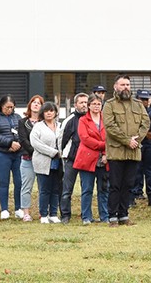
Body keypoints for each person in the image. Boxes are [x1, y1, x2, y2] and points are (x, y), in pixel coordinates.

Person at [103, 74, 149, 227]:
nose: (126, 88)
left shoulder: (138, 104)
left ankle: (124, 215)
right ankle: (112, 217)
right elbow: (110, 127)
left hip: (133, 152)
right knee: (115, 185)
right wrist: (127, 140)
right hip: (116, 152)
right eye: (122, 85)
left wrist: (136, 140)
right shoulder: (109, 105)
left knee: (128, 185)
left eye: (128, 85)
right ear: (115, 87)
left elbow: (145, 123)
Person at [73, 94, 109, 224]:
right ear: (88, 106)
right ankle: (86, 217)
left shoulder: (107, 119)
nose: (96, 106)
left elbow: (110, 137)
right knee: (87, 189)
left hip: (104, 159)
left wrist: (106, 152)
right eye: (93, 104)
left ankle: (104, 216)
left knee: (104, 189)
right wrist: (102, 145)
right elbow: (85, 138)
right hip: (87, 159)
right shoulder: (83, 120)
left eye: (98, 104)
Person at [0, 94, 22, 220]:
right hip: (1, 154)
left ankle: (18, 208)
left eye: (12, 107)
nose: (9, 110)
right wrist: (9, 143)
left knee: (18, 181)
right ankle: (4, 209)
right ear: (1, 106)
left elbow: (22, 133)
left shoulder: (17, 117)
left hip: (17, 154)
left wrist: (17, 143)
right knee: (4, 182)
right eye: (7, 107)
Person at [30, 102, 63, 224]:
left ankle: (53, 214)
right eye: (46, 111)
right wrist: (52, 152)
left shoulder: (60, 125)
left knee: (55, 189)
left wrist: (61, 153)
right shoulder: (38, 126)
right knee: (44, 189)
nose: (49, 113)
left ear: (55, 112)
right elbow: (35, 143)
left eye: (51, 111)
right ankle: (43, 214)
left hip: (58, 162)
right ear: (42, 113)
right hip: (43, 161)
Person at [59, 92, 88, 223]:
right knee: (66, 190)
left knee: (86, 190)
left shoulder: (92, 119)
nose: (84, 105)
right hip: (71, 159)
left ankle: (86, 215)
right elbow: (61, 139)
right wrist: (63, 155)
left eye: (86, 102)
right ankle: (65, 215)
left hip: (87, 160)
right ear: (75, 104)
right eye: (81, 102)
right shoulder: (69, 120)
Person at [17, 95, 45, 222]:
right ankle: (26, 212)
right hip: (28, 158)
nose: (36, 105)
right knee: (26, 186)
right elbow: (23, 139)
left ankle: (43, 211)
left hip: (43, 160)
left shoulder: (45, 122)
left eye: (39, 103)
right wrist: (34, 152)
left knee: (43, 187)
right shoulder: (23, 122)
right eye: (34, 102)